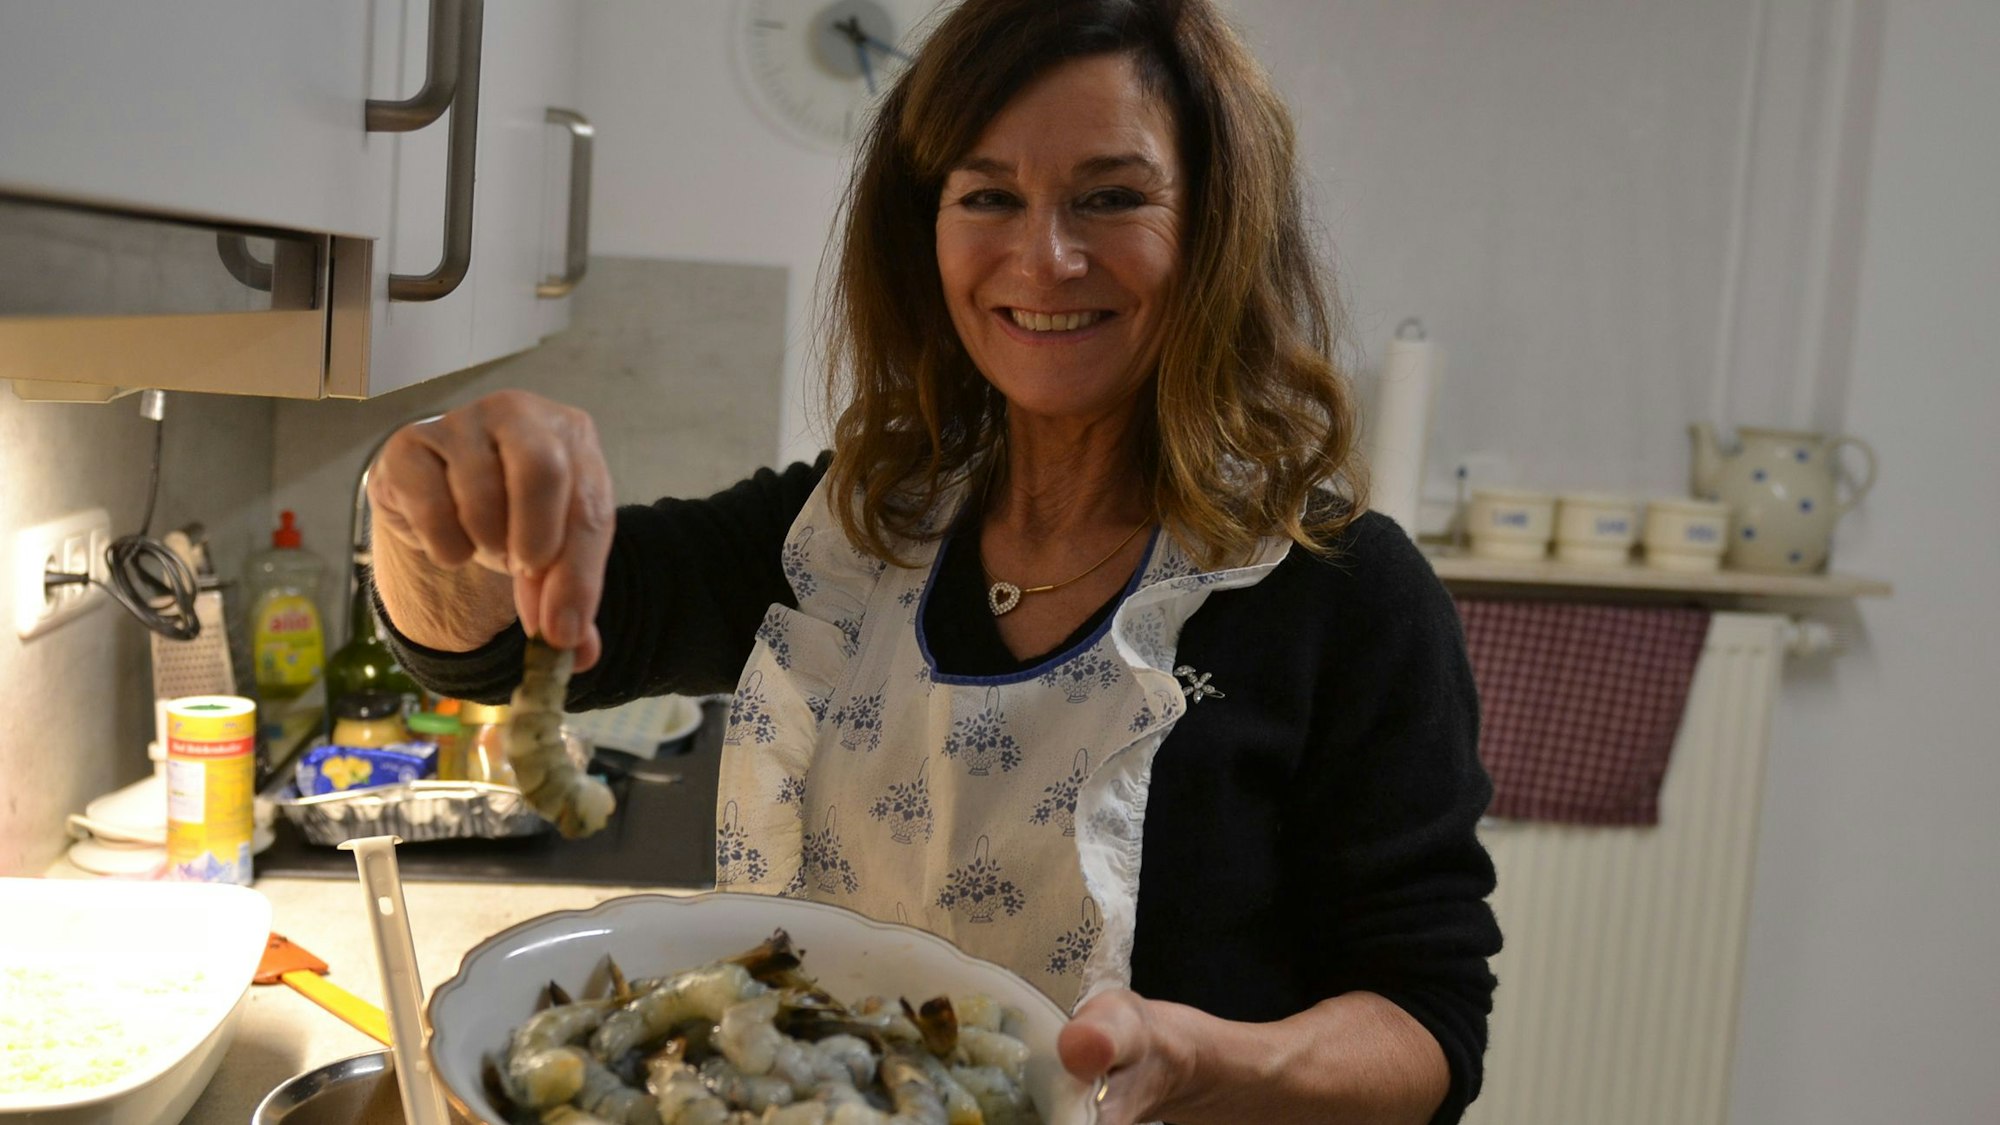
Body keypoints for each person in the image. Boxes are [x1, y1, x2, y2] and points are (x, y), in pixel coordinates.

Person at [367, 1, 1501, 1122]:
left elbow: (1425, 1018)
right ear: (927, 232)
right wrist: (421, 505)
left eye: (1111, 197)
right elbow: (488, 641)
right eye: (987, 196)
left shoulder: (1340, 594)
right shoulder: (852, 533)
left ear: (1213, 226)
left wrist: (1210, 1064)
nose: (1044, 258)